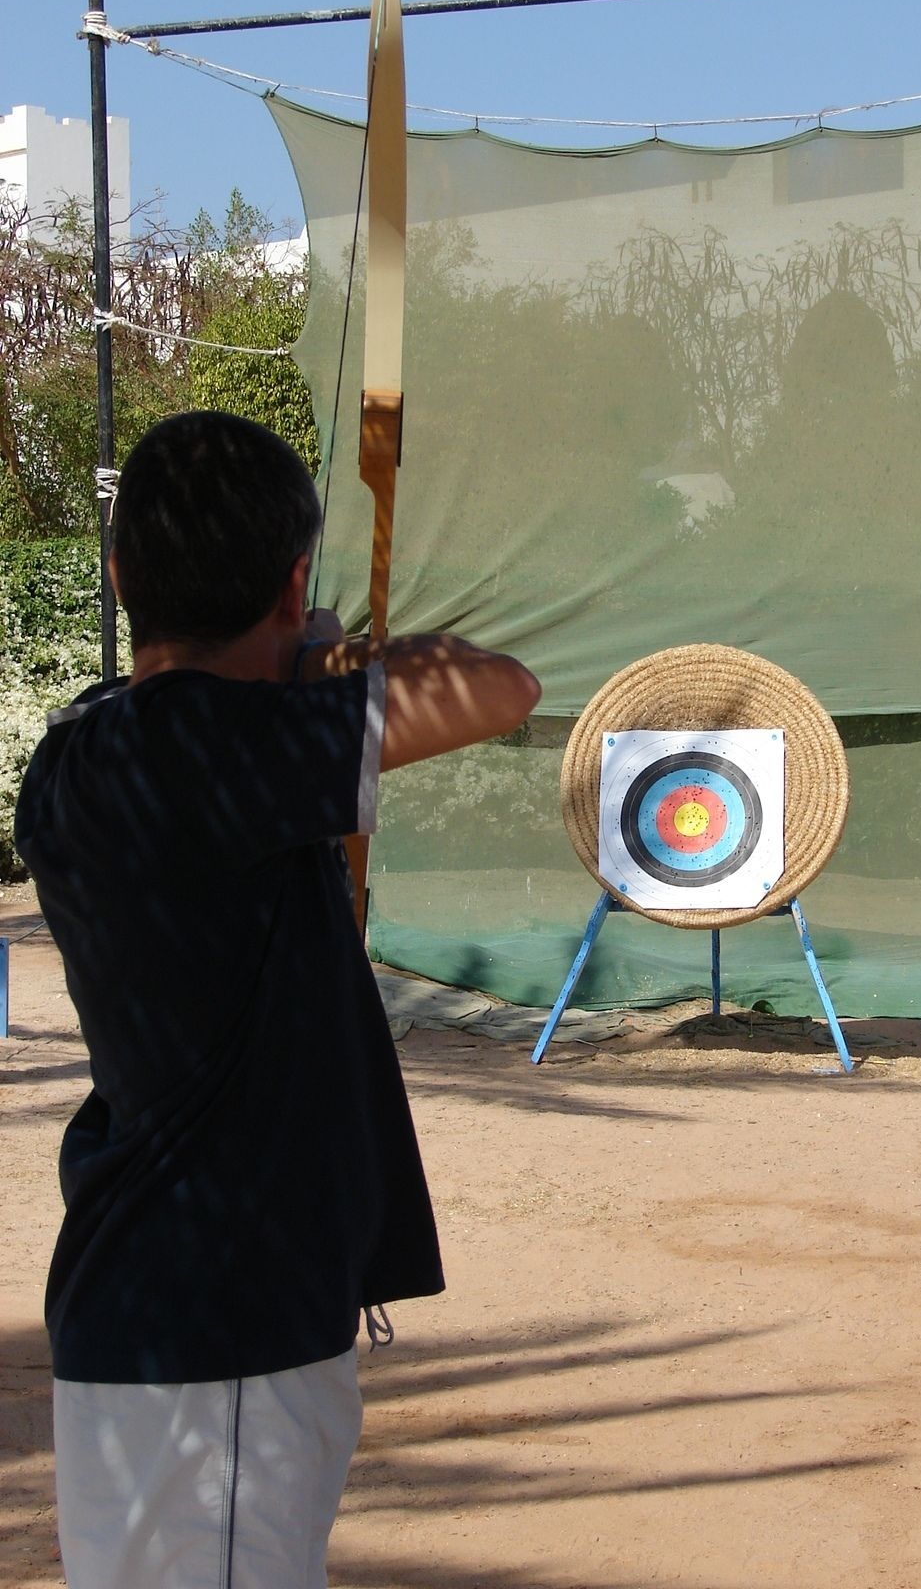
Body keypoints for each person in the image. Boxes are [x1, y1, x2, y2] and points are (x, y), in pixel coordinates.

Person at [14, 409, 541, 1589]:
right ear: (295, 582)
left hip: (171, 1317)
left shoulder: (90, 747)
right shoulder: (205, 750)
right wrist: (330, 657)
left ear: (118, 575)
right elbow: (500, 686)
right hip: (216, 1329)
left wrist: (302, 661)